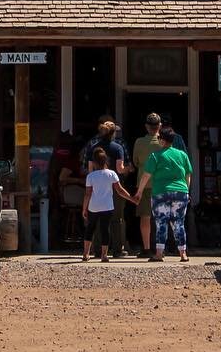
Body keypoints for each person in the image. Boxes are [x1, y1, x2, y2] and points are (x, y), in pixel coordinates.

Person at [136, 127, 192, 262]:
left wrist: (139, 191)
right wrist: (186, 191)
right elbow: (188, 174)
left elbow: (146, 175)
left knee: (161, 222)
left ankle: (159, 253)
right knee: (179, 223)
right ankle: (183, 253)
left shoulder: (155, 156)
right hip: (180, 191)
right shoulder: (182, 155)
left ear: (161, 139)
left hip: (160, 192)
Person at [80, 115, 128, 257]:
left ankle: (95, 250)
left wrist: (94, 179)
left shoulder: (93, 147)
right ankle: (117, 249)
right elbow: (120, 169)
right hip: (114, 183)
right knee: (116, 218)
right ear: (113, 133)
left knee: (95, 219)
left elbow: (89, 169)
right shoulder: (118, 147)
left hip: (96, 183)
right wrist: (128, 169)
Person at [81, 146, 136, 261]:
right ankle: (104, 255)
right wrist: (132, 198)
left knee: (90, 229)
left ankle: (86, 254)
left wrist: (84, 208)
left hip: (93, 206)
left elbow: (87, 194)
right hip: (107, 206)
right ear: (106, 161)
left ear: (94, 163)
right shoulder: (112, 174)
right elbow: (120, 190)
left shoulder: (90, 176)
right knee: (105, 229)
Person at [131, 112, 163, 257]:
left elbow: (136, 162)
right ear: (159, 126)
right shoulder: (163, 144)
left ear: (146, 127)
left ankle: (146, 247)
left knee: (145, 217)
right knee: (161, 217)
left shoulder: (139, 142)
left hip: (143, 184)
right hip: (161, 183)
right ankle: (160, 248)